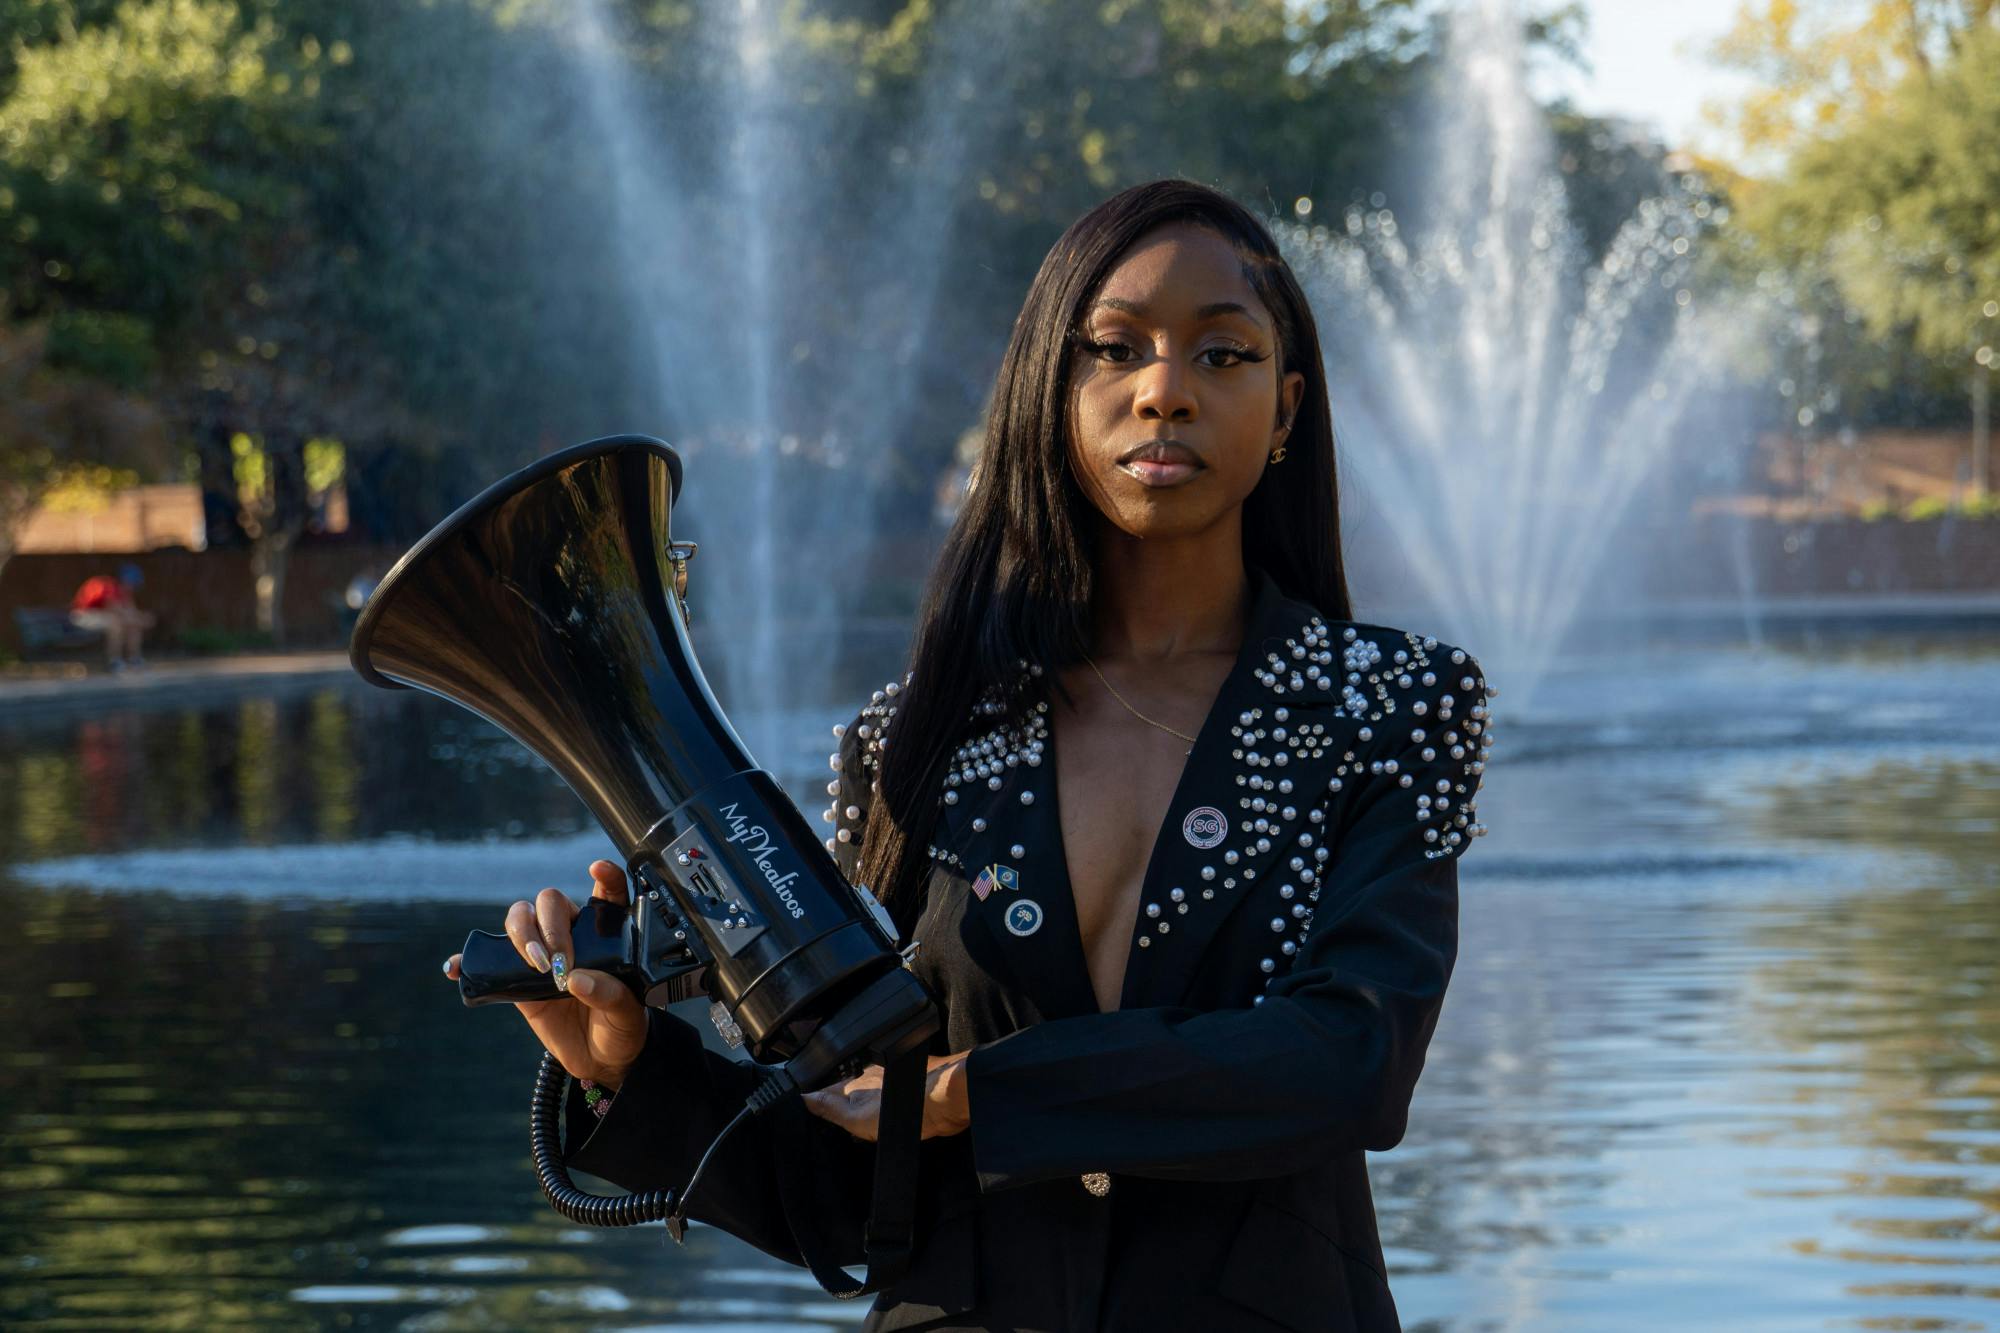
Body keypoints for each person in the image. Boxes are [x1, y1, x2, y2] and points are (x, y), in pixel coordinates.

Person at [443, 177, 1497, 1331]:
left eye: (1222, 355)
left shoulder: (1389, 707)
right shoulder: (913, 739)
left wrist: (976, 1093)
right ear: (1050, 393)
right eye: (1112, 349)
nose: (1161, 393)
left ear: (1286, 407)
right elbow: (851, 1196)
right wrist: (629, 1065)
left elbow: (1349, 1061)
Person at [69, 563, 156, 672]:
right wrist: (140, 619)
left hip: (102, 616)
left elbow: (130, 611)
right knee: (115, 623)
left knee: (133, 625)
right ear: (124, 580)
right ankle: (114, 661)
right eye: (131, 584)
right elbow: (115, 610)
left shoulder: (124, 591)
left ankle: (134, 659)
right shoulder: (107, 586)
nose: (132, 588)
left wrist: (139, 618)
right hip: (82, 616)